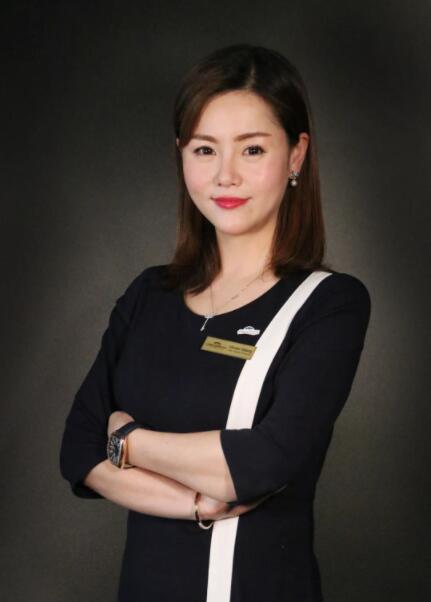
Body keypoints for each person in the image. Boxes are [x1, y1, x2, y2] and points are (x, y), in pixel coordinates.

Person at [59, 43, 372, 602]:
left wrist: (126, 441)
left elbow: (258, 465)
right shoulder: (148, 295)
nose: (225, 175)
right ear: (181, 156)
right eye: (205, 149)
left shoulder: (329, 304)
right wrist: (196, 504)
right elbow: (78, 451)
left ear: (296, 154)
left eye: (252, 149)